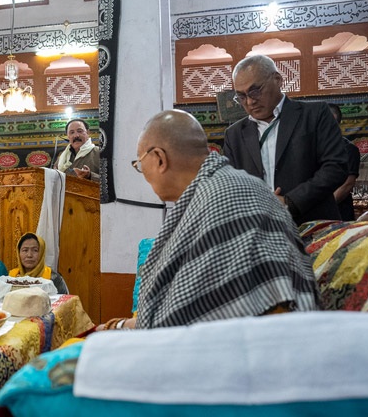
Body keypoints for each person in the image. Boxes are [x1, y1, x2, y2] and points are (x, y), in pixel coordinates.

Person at [100, 110, 318, 331]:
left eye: (139, 163)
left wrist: (118, 328)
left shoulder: (221, 197)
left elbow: (185, 318)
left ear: (159, 159)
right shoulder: (231, 186)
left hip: (260, 343)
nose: (142, 171)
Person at [224, 54, 348, 225]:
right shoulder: (235, 134)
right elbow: (231, 184)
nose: (250, 101)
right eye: (242, 96)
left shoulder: (314, 114)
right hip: (260, 230)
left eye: (255, 91)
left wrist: (290, 202)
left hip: (314, 224)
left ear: (277, 79)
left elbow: (336, 167)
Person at [328, 103, 360, 221]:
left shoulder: (349, 149)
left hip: (339, 213)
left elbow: (347, 185)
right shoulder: (314, 148)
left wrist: (326, 208)